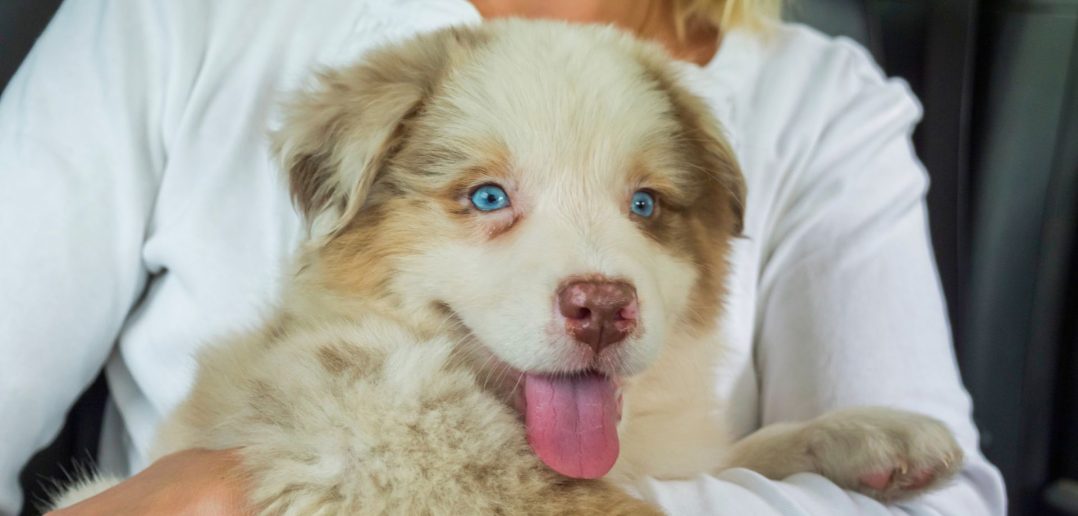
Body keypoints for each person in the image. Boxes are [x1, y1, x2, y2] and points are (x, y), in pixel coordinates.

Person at [0, 0, 1006, 514]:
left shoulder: (820, 102)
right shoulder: (187, 16)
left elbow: (940, 504)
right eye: (488, 200)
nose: (597, 282)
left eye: (645, 204)